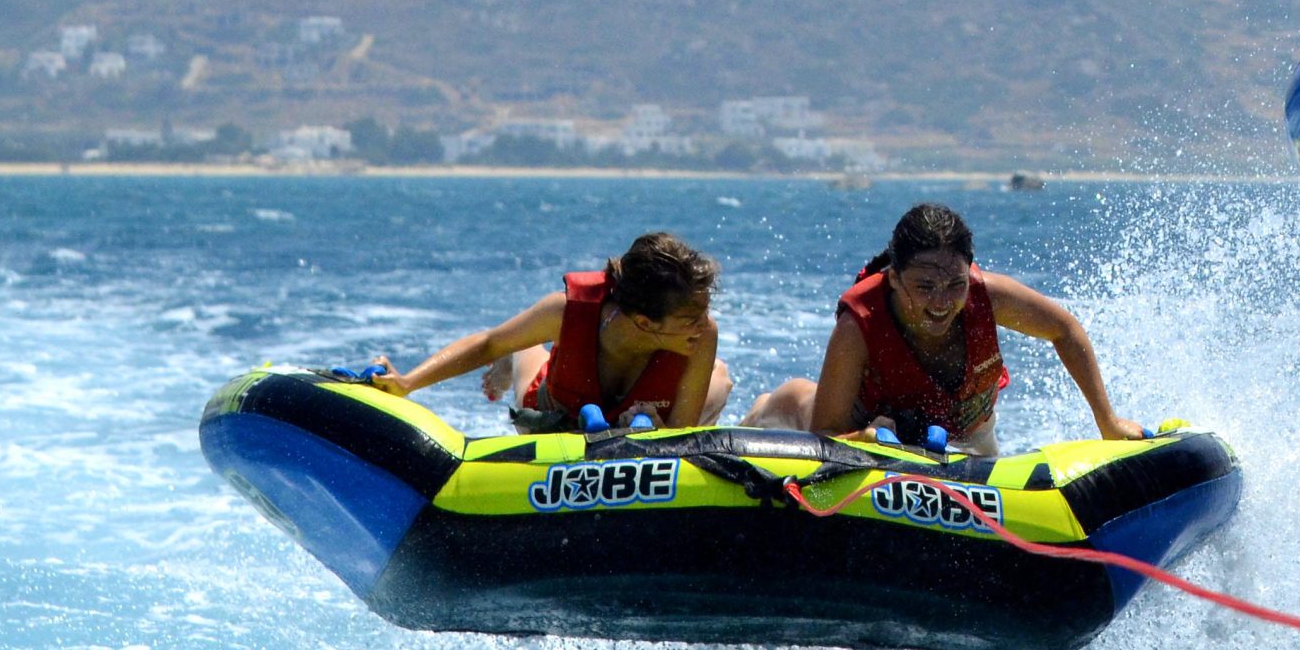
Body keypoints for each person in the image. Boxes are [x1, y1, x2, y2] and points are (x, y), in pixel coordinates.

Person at [742, 202, 1141, 455]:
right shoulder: (859, 322)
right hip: (868, 425)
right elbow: (825, 432)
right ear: (894, 278)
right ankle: (766, 407)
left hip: (967, 431)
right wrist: (859, 439)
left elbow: (1065, 330)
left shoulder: (990, 295)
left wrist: (1108, 421)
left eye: (955, 285)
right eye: (925, 286)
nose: (941, 302)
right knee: (800, 404)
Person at [372, 231, 732, 429]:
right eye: (690, 319)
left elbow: (683, 437)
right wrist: (407, 382)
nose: (705, 323)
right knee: (522, 354)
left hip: (634, 421)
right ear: (644, 322)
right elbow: (486, 344)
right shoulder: (566, 311)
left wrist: (657, 432)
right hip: (557, 407)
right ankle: (522, 353)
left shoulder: (703, 336)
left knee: (719, 378)